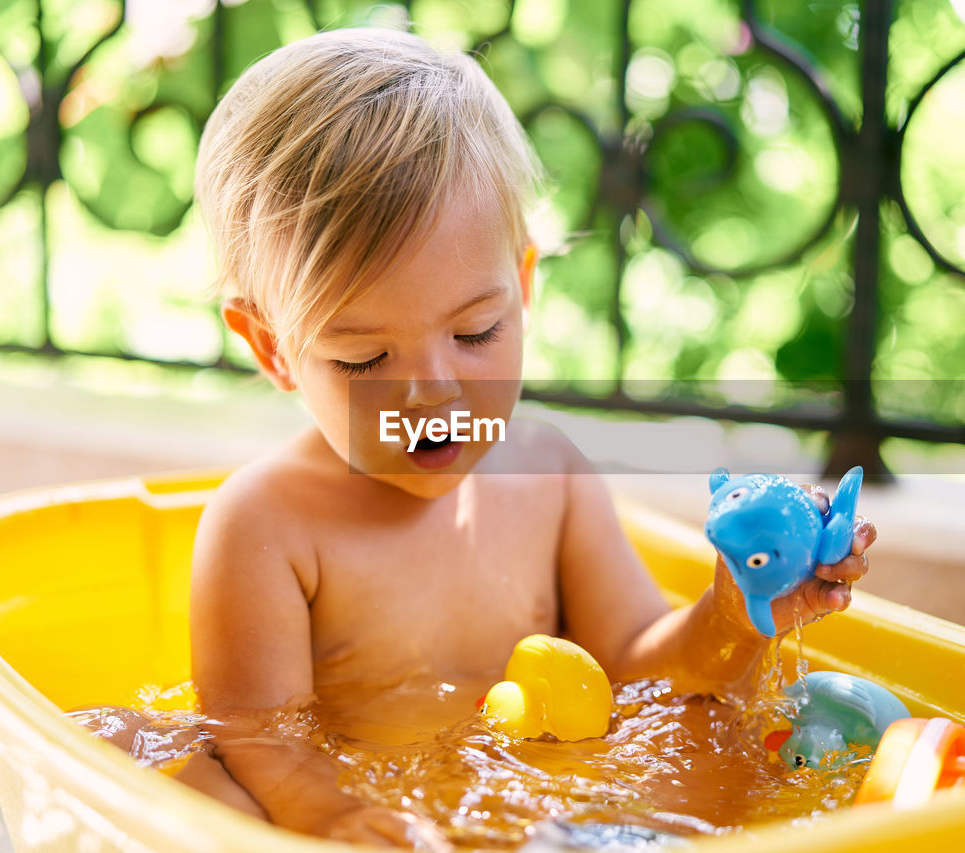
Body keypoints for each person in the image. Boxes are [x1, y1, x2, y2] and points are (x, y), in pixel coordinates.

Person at [184, 26, 874, 849]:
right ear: (272, 348)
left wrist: (738, 613)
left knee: (703, 722)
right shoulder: (266, 526)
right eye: (364, 357)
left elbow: (644, 664)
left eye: (475, 332)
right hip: (381, 824)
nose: (434, 389)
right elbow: (263, 740)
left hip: (543, 820)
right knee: (175, 774)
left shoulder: (546, 473)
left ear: (522, 284)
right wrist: (335, 818)